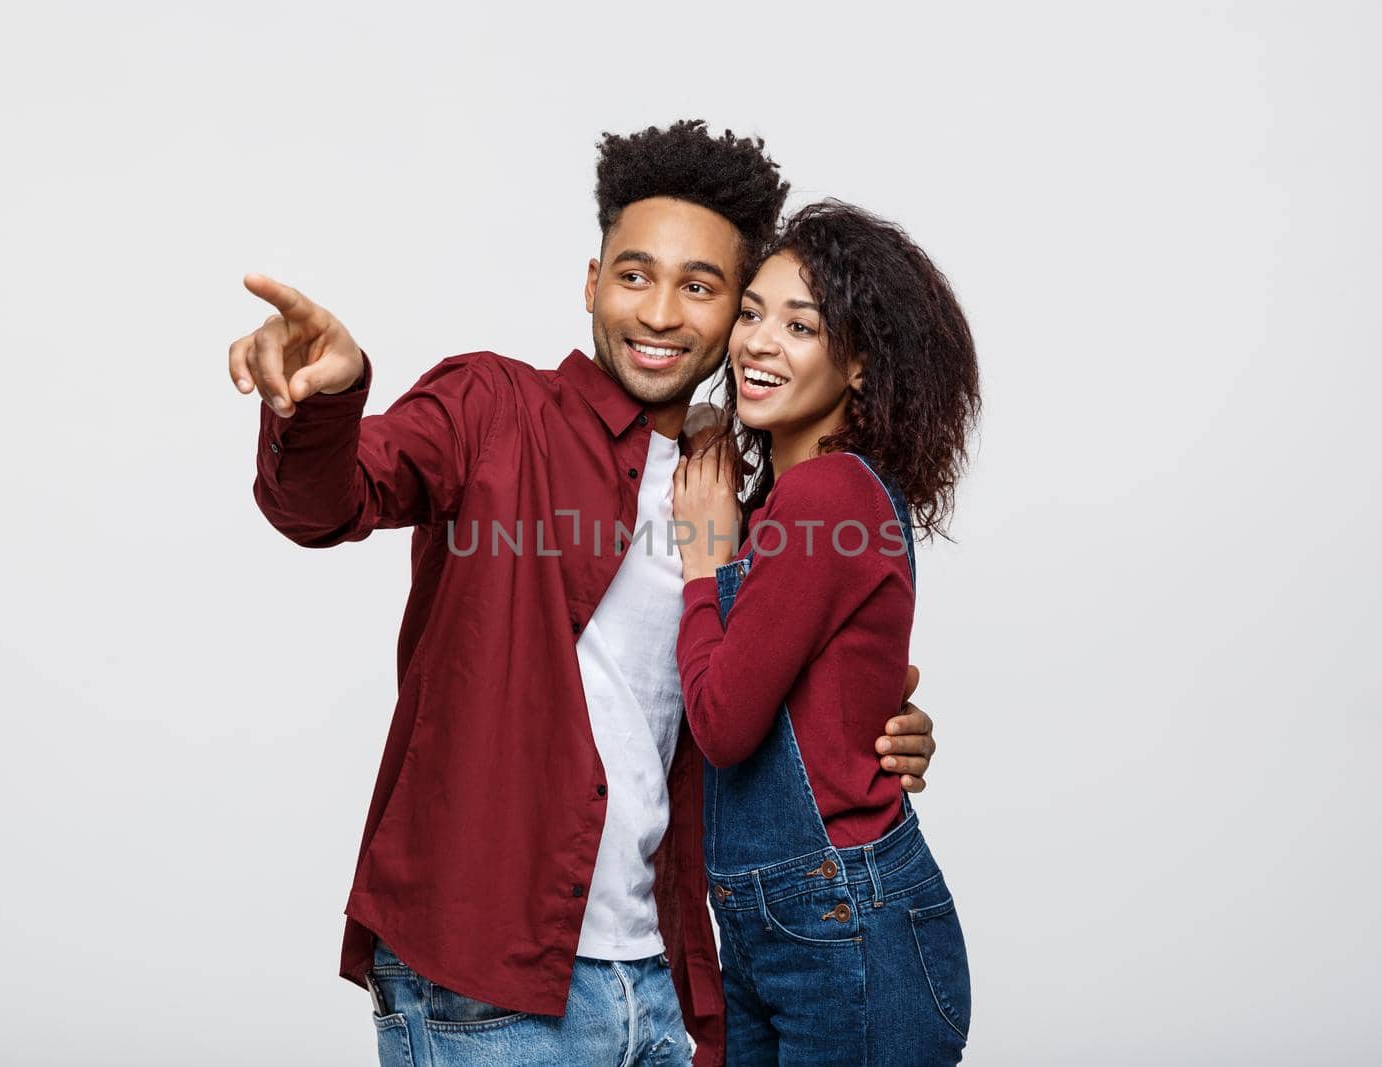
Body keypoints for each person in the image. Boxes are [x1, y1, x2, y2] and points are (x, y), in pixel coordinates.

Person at [228, 121, 941, 1067]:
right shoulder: (492, 409)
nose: (658, 313)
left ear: (735, 315)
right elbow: (329, 502)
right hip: (485, 989)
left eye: (700, 287)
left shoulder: (734, 497)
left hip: (668, 979)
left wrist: (883, 727)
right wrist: (329, 400)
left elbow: (753, 700)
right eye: (635, 275)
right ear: (592, 280)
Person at [672, 200, 981, 1064]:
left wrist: (705, 560)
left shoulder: (827, 495)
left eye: (800, 325)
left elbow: (726, 723)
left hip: (842, 922)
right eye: (752, 313)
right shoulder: (790, 503)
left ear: (857, 365)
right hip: (788, 925)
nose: (758, 343)